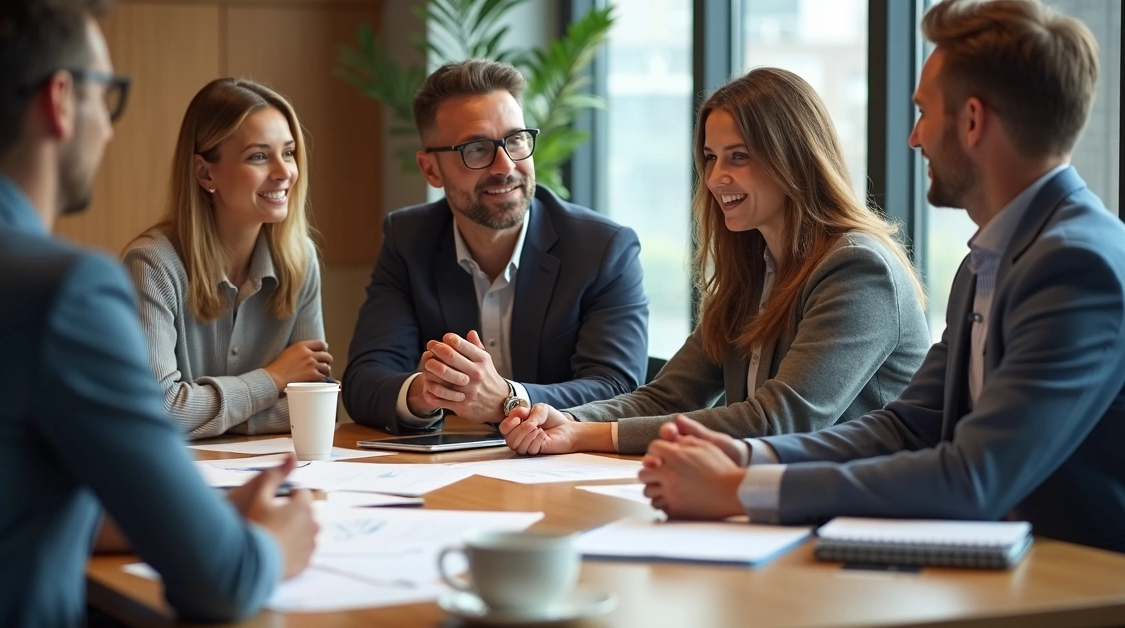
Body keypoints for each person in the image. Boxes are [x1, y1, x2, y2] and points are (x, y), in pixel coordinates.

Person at [639, 0, 1125, 554]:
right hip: (1003, 565)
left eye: (923, 112)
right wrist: (750, 455)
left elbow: (972, 477)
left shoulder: (1075, 266)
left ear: (972, 121)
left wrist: (741, 489)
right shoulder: (987, 260)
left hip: (1077, 580)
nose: (915, 138)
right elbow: (906, 427)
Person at [0, 0, 318, 625]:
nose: (108, 124)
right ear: (60, 101)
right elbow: (221, 582)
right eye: (108, 94)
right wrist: (270, 544)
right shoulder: (62, 290)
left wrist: (195, 514)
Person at [500, 67, 930, 456]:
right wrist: (567, 420)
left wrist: (587, 435)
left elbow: (777, 422)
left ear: (793, 158)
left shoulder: (858, 269)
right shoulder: (755, 272)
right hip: (780, 493)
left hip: (864, 504)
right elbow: (667, 397)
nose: (715, 177)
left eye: (738, 156)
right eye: (711, 157)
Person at [342, 59, 650, 435]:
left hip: (561, 462)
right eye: (476, 149)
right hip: (451, 465)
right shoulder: (409, 240)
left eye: (516, 139)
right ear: (431, 170)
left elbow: (617, 388)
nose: (505, 166)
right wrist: (427, 391)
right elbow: (363, 380)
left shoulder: (602, 249)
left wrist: (507, 398)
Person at [123, 78, 332, 439]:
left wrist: (208, 416)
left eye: (288, 152)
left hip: (275, 469)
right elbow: (158, 410)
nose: (284, 172)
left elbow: (315, 406)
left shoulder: (300, 260)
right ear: (206, 173)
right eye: (259, 156)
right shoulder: (151, 265)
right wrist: (273, 378)